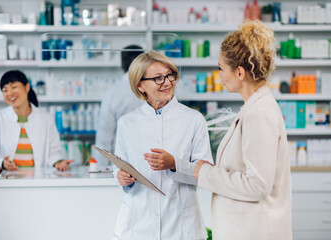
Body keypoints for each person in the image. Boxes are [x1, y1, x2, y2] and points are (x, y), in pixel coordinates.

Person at [194, 20, 292, 240]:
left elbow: (257, 185)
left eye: (221, 68)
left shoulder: (258, 114)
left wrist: (206, 174)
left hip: (254, 232)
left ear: (239, 72)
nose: (219, 74)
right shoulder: (254, 107)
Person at [113, 51, 213, 240]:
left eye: (170, 75)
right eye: (158, 78)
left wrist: (174, 164)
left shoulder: (193, 119)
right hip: (138, 225)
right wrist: (121, 176)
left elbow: (206, 172)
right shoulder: (127, 123)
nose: (167, 82)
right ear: (140, 85)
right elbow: (120, 164)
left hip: (181, 225)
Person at [0, 70, 73, 171]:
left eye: (14, 87)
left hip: (37, 180)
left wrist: (58, 162)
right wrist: (1, 162)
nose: (10, 93)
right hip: (7, 181)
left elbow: (53, 153)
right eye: (5, 90)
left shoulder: (46, 118)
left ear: (27, 87)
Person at [94, 45, 144, 168]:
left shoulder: (113, 93)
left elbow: (105, 136)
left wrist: (100, 168)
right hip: (153, 161)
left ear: (122, 63)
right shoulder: (154, 88)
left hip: (122, 163)